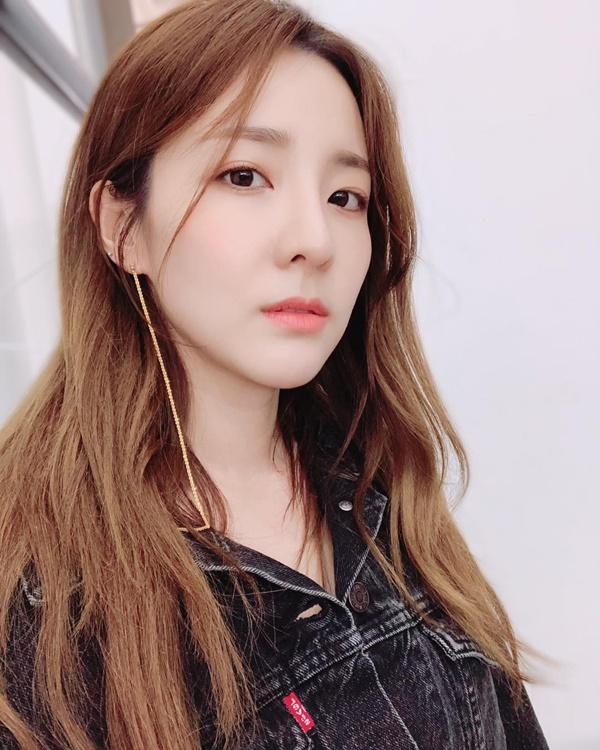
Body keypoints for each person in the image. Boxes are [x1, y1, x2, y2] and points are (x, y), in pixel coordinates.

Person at [0, 1, 552, 748]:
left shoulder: (380, 485)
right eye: (244, 175)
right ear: (123, 226)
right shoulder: (39, 603)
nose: (315, 240)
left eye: (344, 196)